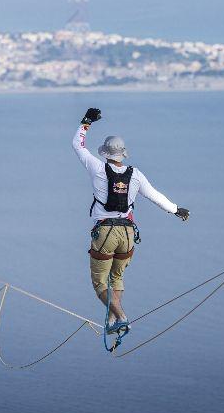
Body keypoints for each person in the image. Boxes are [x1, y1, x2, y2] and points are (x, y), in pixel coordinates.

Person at [72, 107, 189, 336]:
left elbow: (78, 145)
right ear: (122, 154)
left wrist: (86, 123)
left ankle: (122, 317)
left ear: (105, 153)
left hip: (105, 232)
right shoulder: (135, 174)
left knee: (99, 284)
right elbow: (155, 196)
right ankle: (115, 319)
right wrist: (176, 210)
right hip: (127, 234)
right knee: (116, 277)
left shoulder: (97, 168)